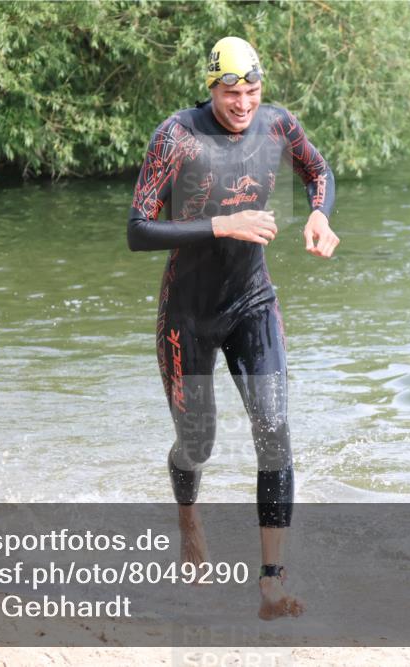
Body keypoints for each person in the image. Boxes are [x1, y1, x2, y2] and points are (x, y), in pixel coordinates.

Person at [127, 36, 339, 620]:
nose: (243, 103)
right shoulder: (176, 136)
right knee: (199, 444)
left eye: (251, 91)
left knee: (274, 429)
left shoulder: (278, 126)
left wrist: (319, 213)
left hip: (252, 302)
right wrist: (225, 225)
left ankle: (272, 582)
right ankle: (188, 517)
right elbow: (138, 229)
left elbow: (319, 170)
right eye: (230, 92)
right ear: (210, 87)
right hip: (187, 314)